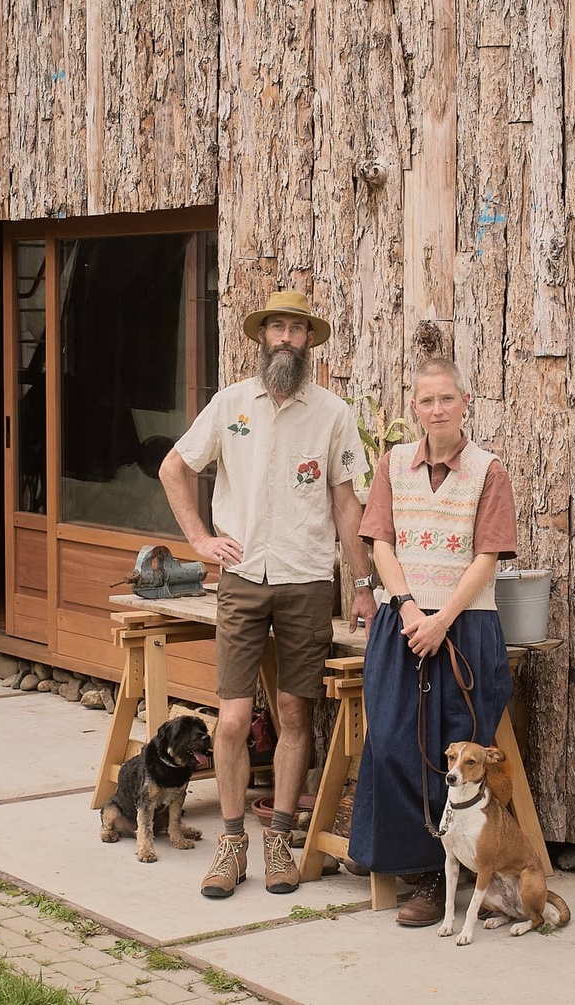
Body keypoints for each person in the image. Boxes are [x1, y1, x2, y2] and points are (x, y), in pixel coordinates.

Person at [160, 289, 377, 899]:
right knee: (230, 720)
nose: (285, 337)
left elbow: (345, 504)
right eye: (276, 327)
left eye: (296, 329)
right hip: (243, 579)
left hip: (307, 580)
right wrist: (200, 539)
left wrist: (361, 585)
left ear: (309, 341)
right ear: (262, 337)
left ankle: (279, 837)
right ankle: (232, 844)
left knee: (293, 712)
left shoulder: (332, 414)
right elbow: (174, 468)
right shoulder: (231, 405)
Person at [349, 355, 518, 928]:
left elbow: (487, 557)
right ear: (415, 408)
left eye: (447, 398)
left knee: (456, 744)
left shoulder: (489, 470)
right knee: (395, 739)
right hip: (404, 624)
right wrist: (408, 607)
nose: (438, 409)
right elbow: (380, 545)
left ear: (464, 403)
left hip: (466, 628)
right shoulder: (392, 464)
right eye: (427, 401)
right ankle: (416, 868)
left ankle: (448, 874)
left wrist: (442, 618)